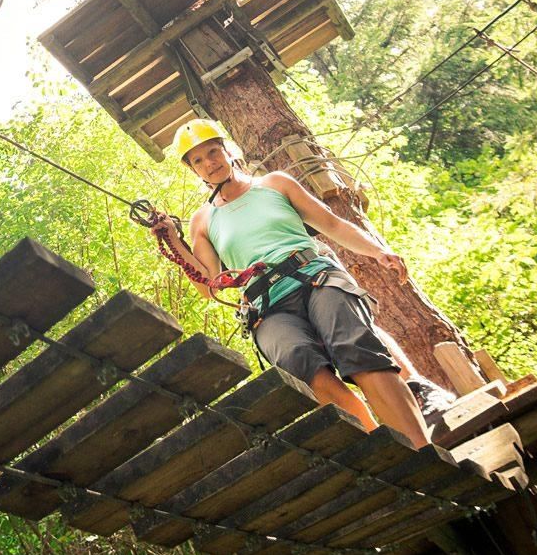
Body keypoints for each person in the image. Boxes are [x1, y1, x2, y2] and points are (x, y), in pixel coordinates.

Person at [155, 118, 431, 448]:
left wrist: (378, 251)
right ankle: (381, 444)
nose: (209, 163)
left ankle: (421, 447)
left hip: (315, 277)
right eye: (198, 160)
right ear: (194, 171)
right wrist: (173, 239)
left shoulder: (274, 184)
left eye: (213, 152)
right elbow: (210, 286)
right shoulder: (204, 220)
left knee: (353, 344)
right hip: (267, 306)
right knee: (297, 360)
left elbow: (332, 224)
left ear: (228, 150)